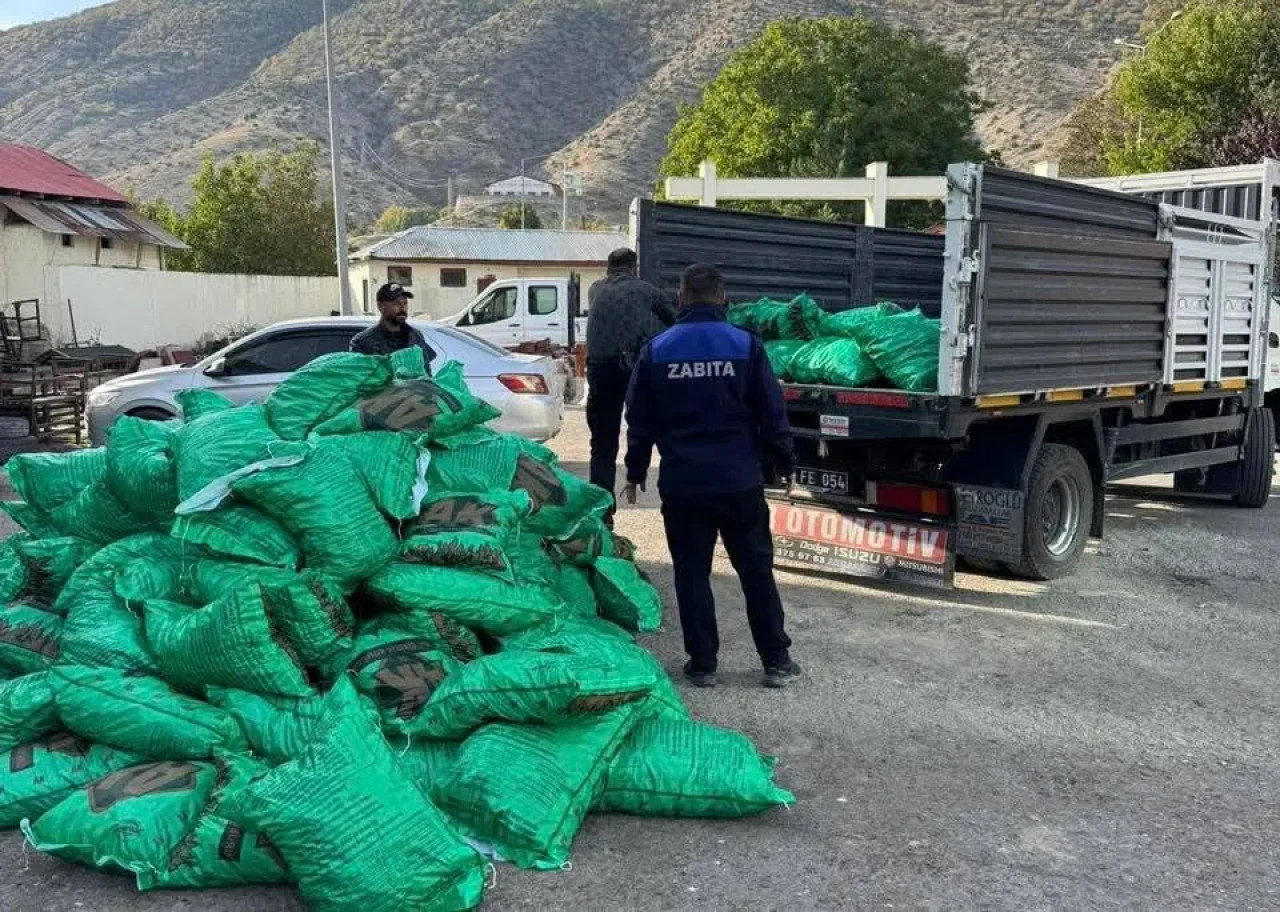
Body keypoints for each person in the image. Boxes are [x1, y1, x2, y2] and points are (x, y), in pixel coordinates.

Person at [622, 263, 800, 689]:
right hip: (739, 480)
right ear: (723, 299)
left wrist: (634, 469)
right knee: (756, 569)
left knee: (692, 572)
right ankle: (775, 661)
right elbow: (772, 411)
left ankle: (702, 664)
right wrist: (782, 461)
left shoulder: (658, 349)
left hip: (684, 484)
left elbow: (640, 417)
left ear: (680, 300)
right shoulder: (745, 345)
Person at [585, 248, 676, 522]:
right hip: (633, 369)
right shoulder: (647, 291)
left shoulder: (595, 290)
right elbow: (674, 322)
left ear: (608, 267)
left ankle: (602, 511)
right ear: (634, 267)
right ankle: (661, 488)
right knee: (647, 426)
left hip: (599, 371)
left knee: (602, 443)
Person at [350, 282, 436, 367]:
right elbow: (359, 377)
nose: (402, 307)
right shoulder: (362, 342)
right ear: (380, 306)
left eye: (405, 303)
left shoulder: (416, 336)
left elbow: (426, 374)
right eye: (396, 303)